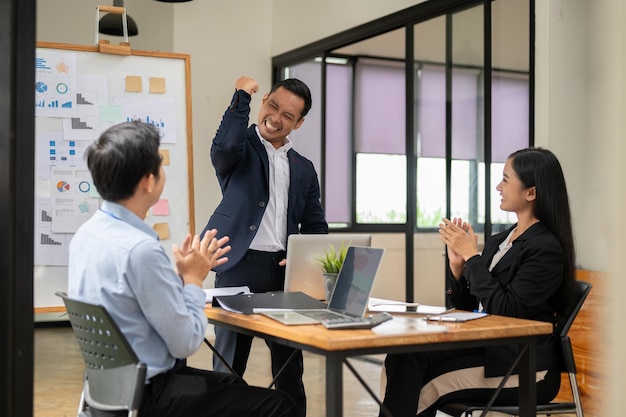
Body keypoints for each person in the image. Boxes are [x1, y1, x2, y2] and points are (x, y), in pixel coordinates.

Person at [68, 121, 297, 417]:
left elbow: (130, 299)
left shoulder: (87, 235)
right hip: (149, 395)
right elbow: (185, 342)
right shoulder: (141, 250)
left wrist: (175, 277)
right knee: (281, 406)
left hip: (106, 390)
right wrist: (193, 279)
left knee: (230, 382)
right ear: (148, 182)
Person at [379, 147, 576, 417]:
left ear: (531, 192)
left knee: (425, 381)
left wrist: (473, 257)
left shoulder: (545, 249)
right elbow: (469, 307)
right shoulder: (500, 240)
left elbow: (506, 312)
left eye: (506, 179)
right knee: (404, 355)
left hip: (525, 365)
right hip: (489, 349)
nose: (498, 186)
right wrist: (458, 268)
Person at [201, 76, 328, 417]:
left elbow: (315, 227)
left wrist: (307, 264)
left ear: (298, 123)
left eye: (288, 115)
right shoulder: (238, 150)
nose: (276, 117)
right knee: (227, 369)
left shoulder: (304, 168)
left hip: (283, 276)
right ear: (264, 102)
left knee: (289, 372)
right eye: (272, 105)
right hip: (238, 268)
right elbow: (224, 145)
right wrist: (241, 96)